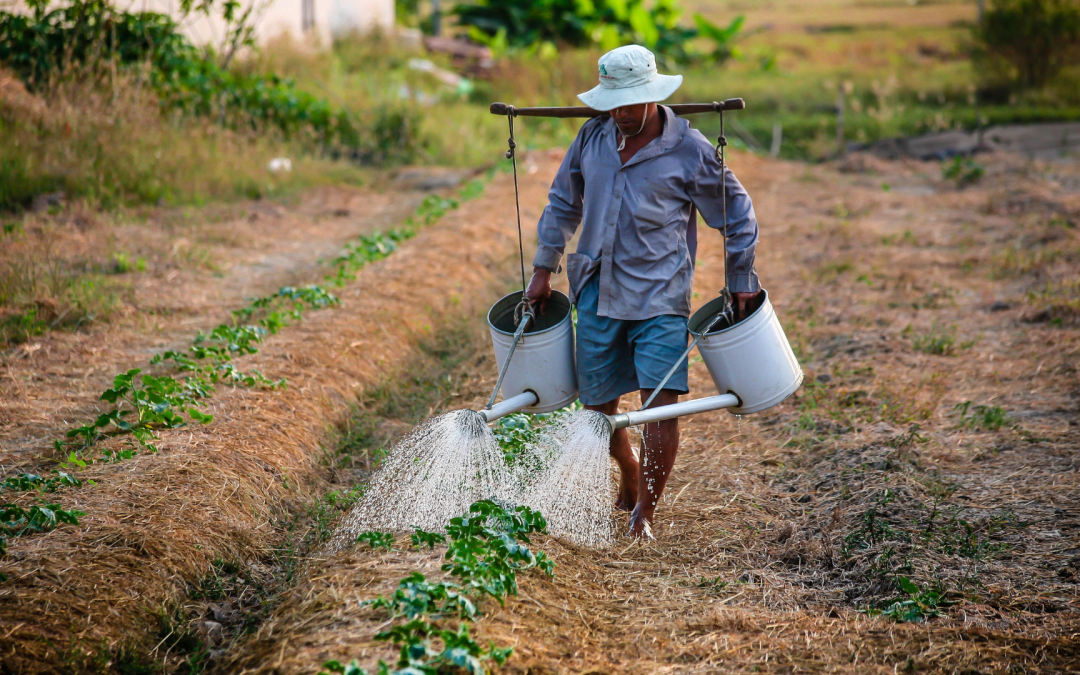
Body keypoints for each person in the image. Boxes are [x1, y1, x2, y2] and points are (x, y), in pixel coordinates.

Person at [525, 44, 763, 539]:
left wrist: (741, 277)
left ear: (654, 96)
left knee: (661, 407)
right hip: (597, 290)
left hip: (660, 295)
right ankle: (629, 469)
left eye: (630, 103)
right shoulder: (592, 137)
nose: (621, 114)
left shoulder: (689, 149)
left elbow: (737, 213)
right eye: (613, 104)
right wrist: (543, 268)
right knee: (598, 411)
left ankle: (644, 516)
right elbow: (563, 202)